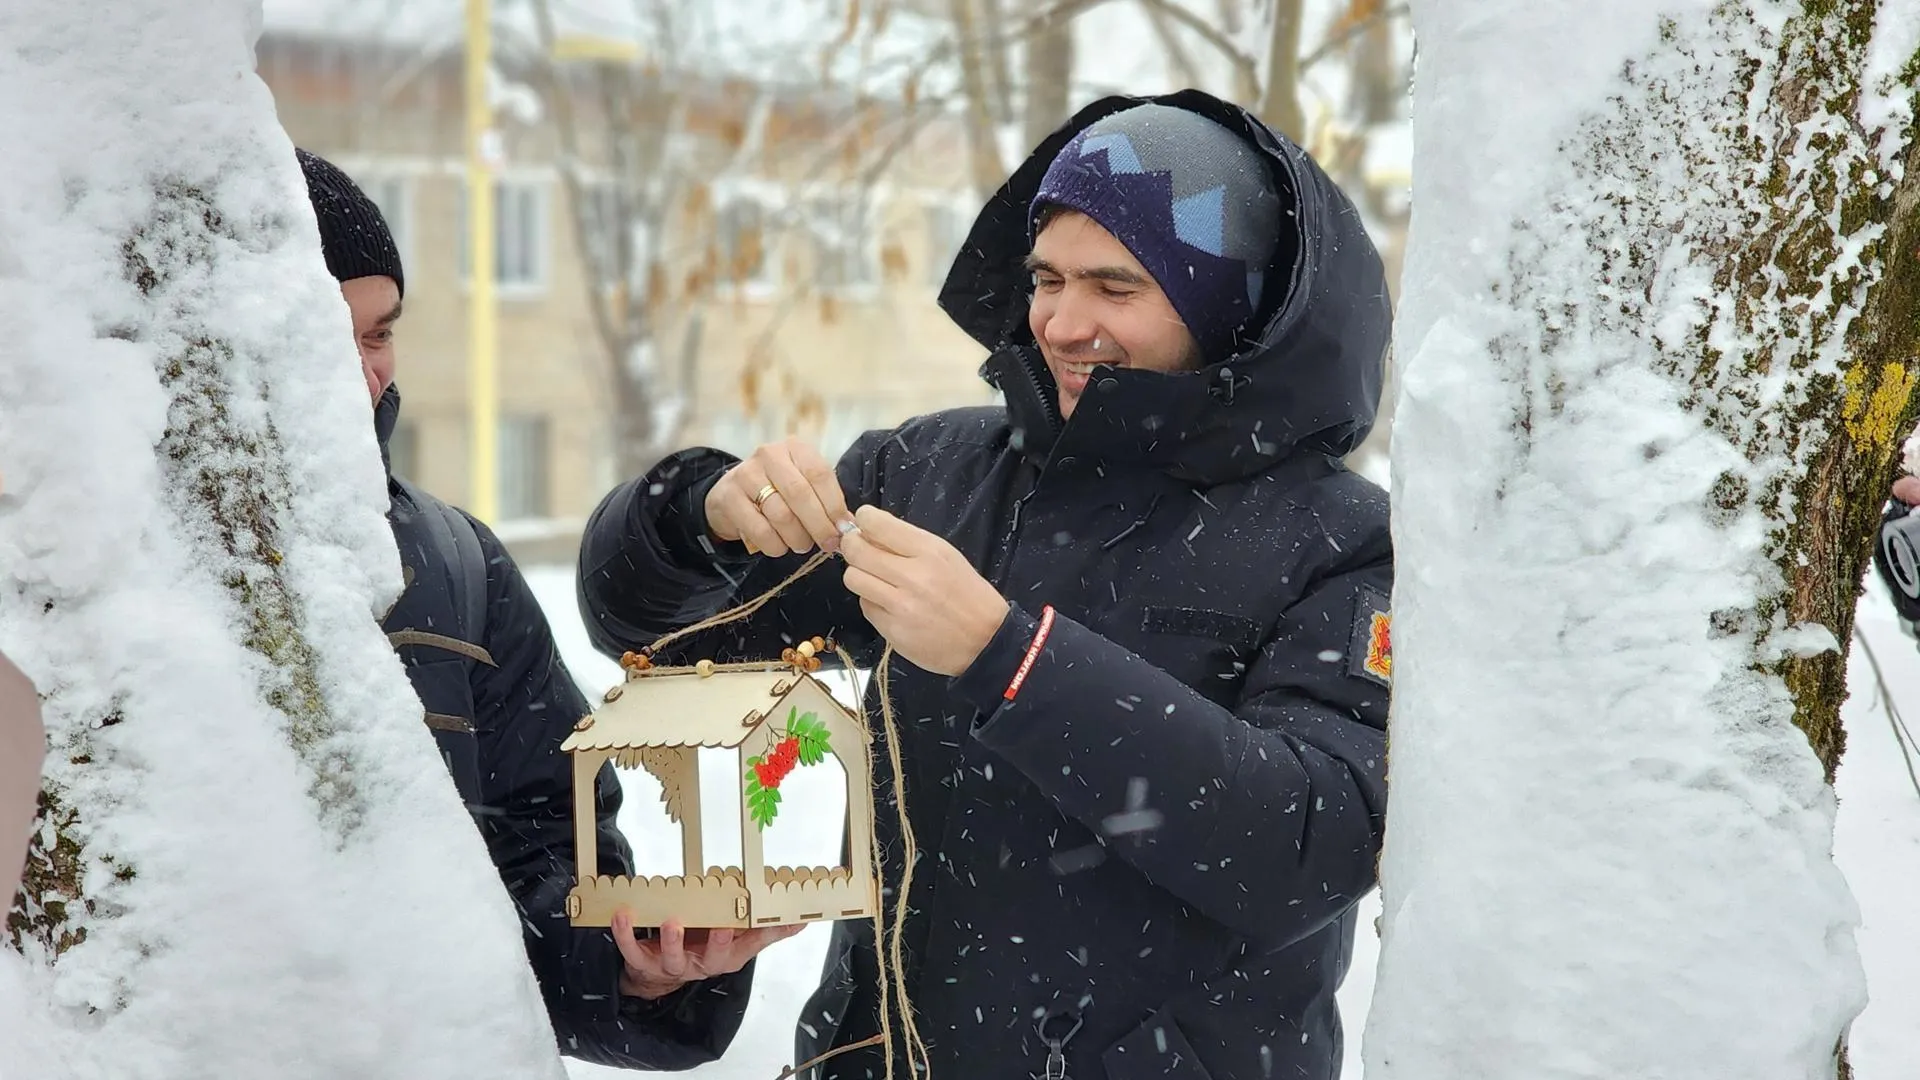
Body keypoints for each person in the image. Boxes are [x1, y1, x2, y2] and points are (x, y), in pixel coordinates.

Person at [576, 90, 1393, 1079]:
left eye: (1115, 286)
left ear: (1226, 302)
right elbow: (655, 638)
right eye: (1046, 277)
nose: (1060, 319)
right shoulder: (931, 473)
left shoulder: (1338, 538)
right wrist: (698, 511)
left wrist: (1013, 660)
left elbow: (1316, 842)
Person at [296, 150, 797, 1069]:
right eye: (326, 333)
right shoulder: (72, 566)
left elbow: (547, 848)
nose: (365, 374)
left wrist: (630, 960)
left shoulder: (456, 564)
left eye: (380, 335)